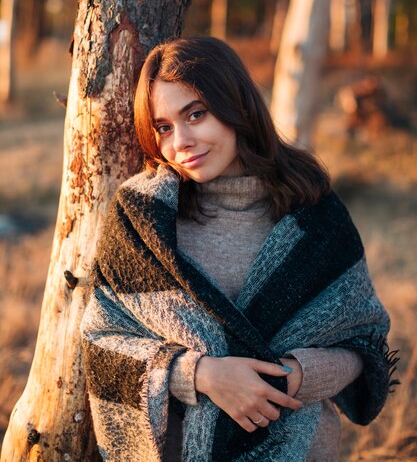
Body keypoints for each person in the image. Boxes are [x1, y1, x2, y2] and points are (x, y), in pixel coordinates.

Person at [81, 36, 397, 462]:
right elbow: (102, 340)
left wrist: (293, 377)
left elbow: (362, 345)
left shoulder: (313, 213)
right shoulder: (144, 219)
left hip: (300, 447)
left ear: (237, 106)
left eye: (196, 114)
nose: (180, 143)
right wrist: (201, 375)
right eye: (164, 127)